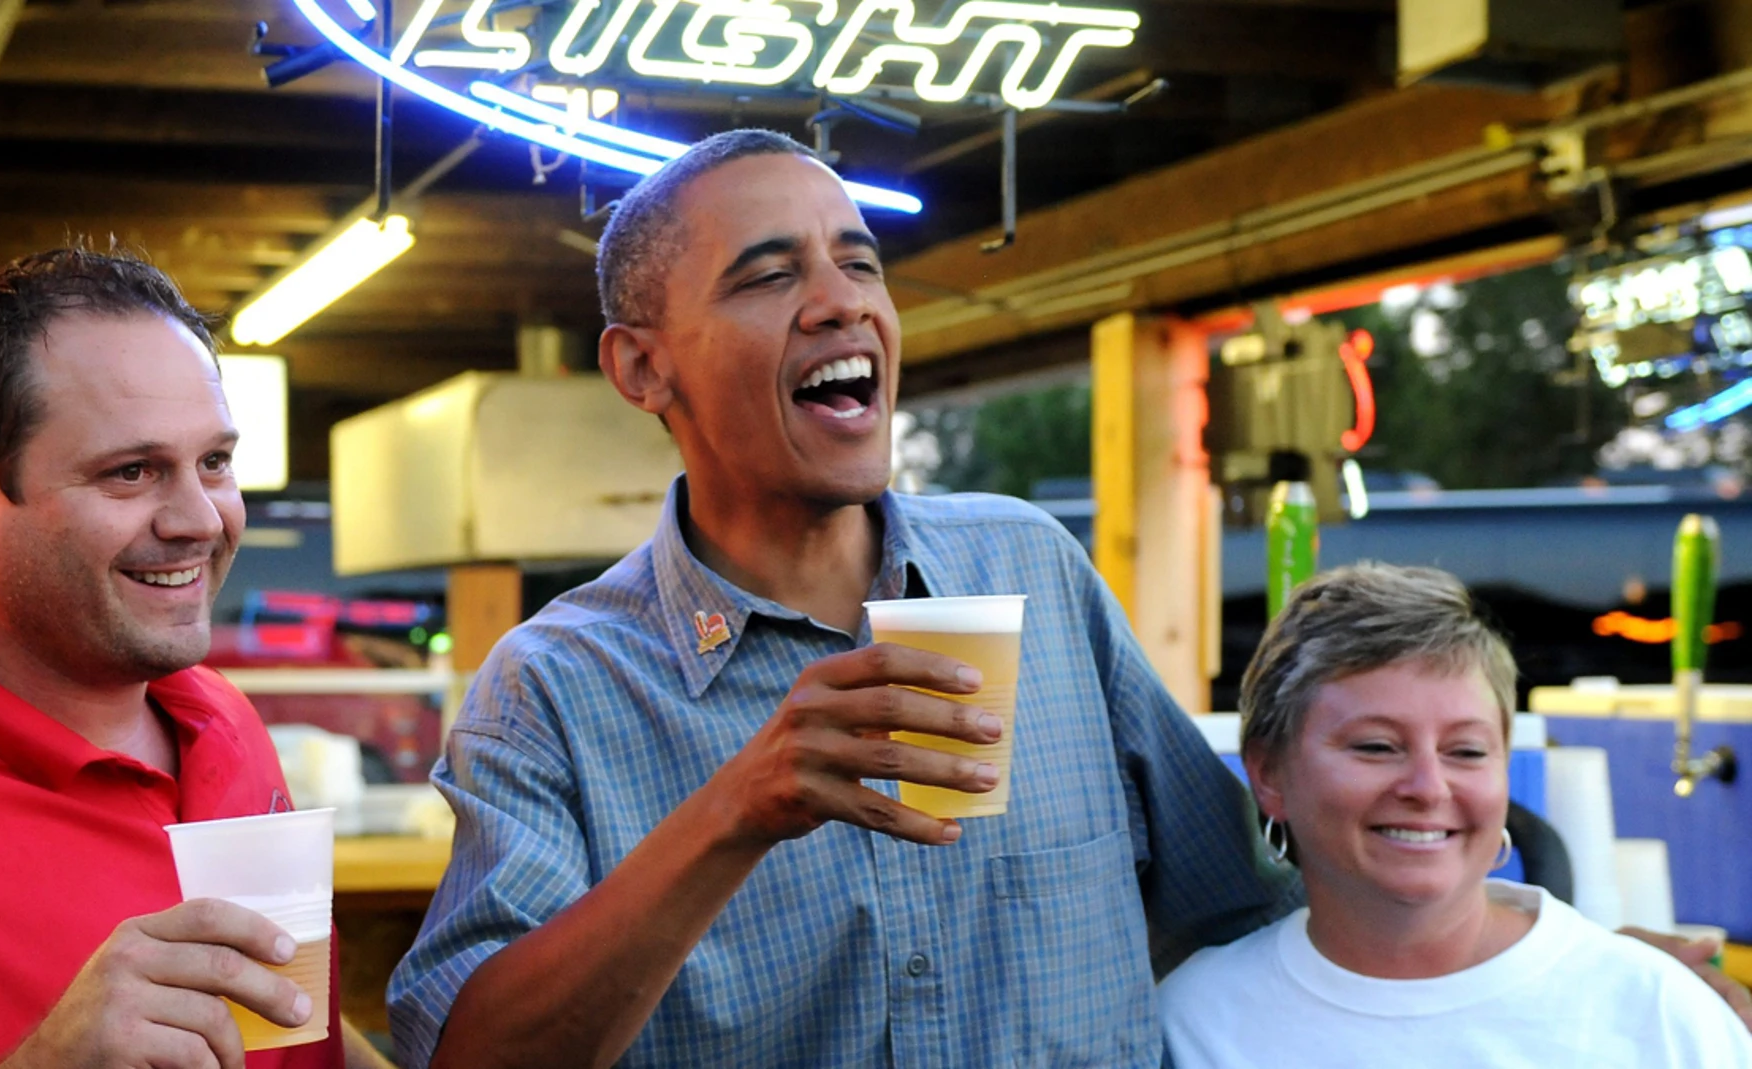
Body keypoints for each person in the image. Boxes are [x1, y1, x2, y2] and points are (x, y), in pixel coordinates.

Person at [386, 129, 1297, 1069]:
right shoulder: (550, 690)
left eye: (860, 263)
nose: (842, 301)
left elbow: (1250, 915)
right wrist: (733, 814)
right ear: (643, 370)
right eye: (768, 276)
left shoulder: (1032, 571)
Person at [0, 248, 391, 1069]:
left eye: (214, 461)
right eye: (132, 471)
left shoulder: (222, 717)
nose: (200, 519)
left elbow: (290, 1028)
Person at [1159, 562, 1752, 1067]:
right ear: (1268, 773)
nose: (1427, 786)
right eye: (1376, 746)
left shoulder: (1657, 1011)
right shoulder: (1195, 1023)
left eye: (1465, 751)